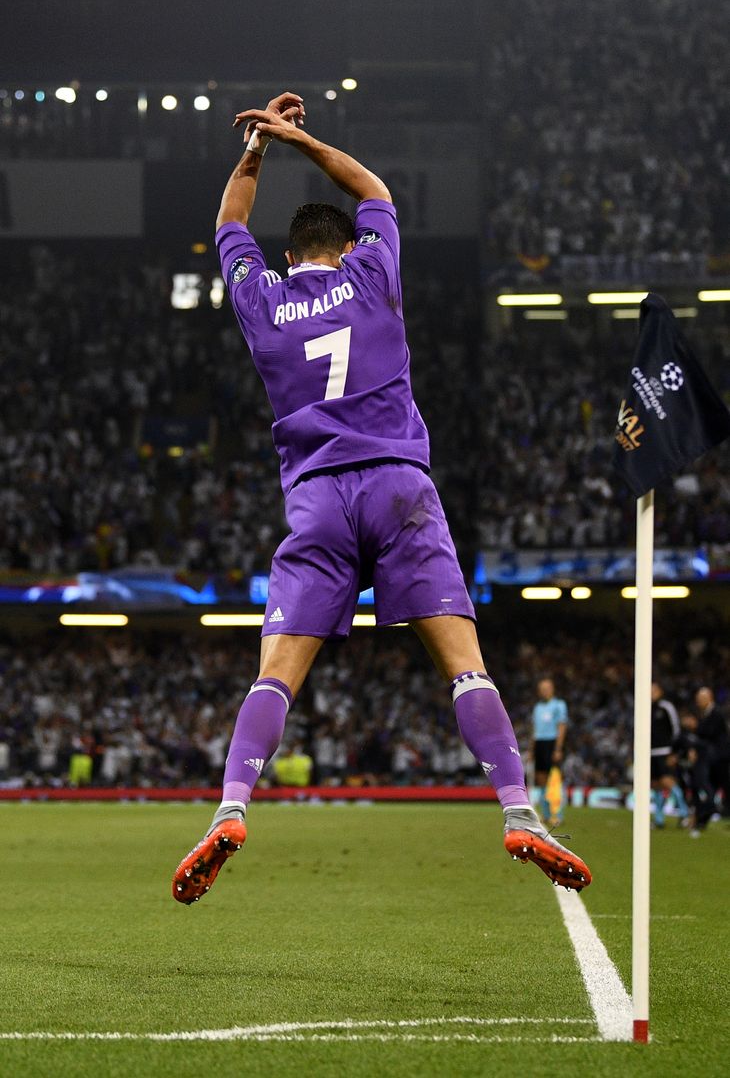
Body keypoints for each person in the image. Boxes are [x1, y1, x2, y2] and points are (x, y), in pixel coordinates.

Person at [172, 92, 591, 904]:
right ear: (346, 248)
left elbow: (228, 222)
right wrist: (300, 138)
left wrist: (256, 147)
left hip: (317, 499)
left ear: (291, 257)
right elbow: (376, 192)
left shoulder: (263, 302)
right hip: (400, 487)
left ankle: (230, 808)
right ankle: (517, 811)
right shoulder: (373, 271)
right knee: (464, 667)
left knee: (277, 676)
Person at [650, 681, 688, 827]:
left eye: (653, 690)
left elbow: (676, 729)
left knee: (667, 781)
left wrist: (674, 751)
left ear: (660, 691)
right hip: (650, 753)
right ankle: (659, 819)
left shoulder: (666, 707)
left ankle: (684, 813)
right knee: (655, 785)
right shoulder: (647, 709)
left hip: (665, 751)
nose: (651, 693)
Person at [531, 677, 568, 823]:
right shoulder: (538, 707)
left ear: (552, 689)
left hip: (552, 743)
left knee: (554, 780)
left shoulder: (559, 705)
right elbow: (535, 730)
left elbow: (562, 726)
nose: (544, 691)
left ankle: (557, 814)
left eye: (546, 688)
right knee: (541, 780)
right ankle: (546, 814)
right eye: (542, 689)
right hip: (540, 743)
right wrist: (532, 750)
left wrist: (558, 748)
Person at [694, 686, 729, 815]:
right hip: (712, 756)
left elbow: (710, 733)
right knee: (714, 784)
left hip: (719, 756)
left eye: (700, 699)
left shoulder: (716, 713)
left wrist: (695, 728)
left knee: (718, 783)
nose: (697, 702)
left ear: (709, 698)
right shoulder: (704, 713)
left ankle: (714, 808)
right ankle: (711, 809)